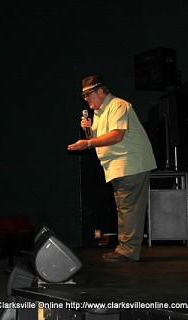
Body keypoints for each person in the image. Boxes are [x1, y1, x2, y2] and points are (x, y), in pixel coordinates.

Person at [68, 75, 156, 262]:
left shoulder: (118, 105)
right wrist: (89, 131)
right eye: (84, 97)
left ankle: (127, 251)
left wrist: (88, 142)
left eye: (88, 95)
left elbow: (116, 136)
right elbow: (101, 139)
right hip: (118, 166)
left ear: (101, 91)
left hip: (130, 164)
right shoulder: (99, 112)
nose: (86, 99)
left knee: (128, 207)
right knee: (125, 207)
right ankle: (125, 249)